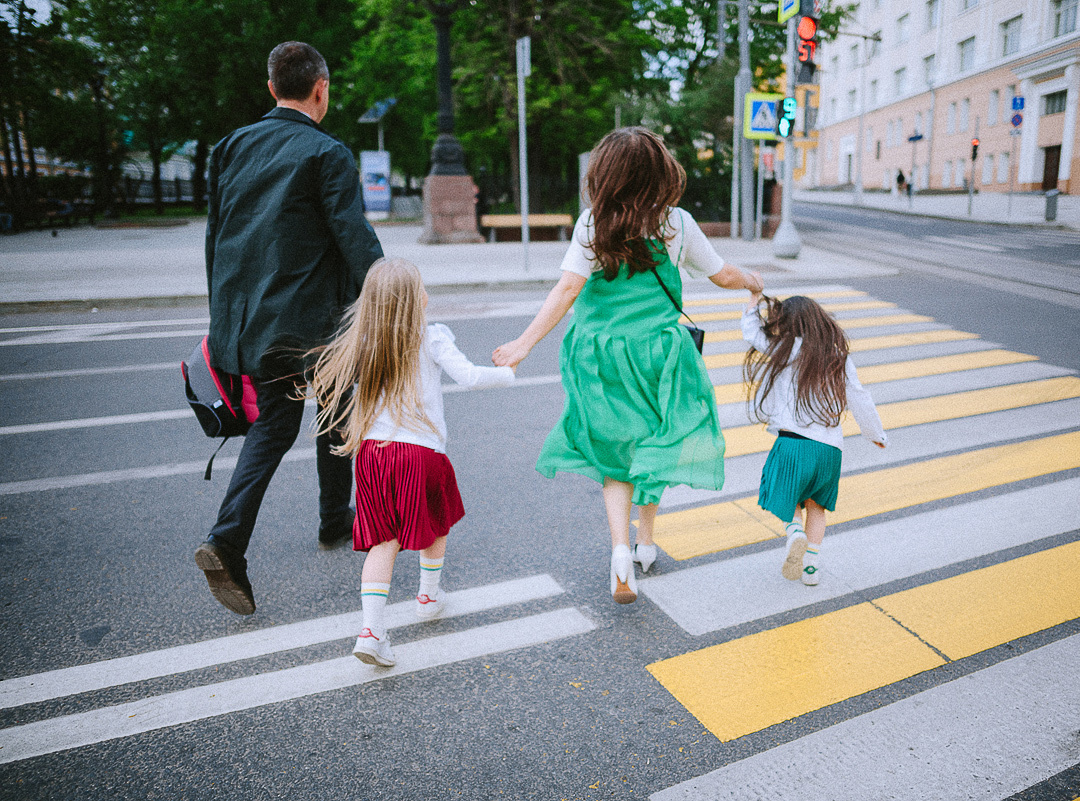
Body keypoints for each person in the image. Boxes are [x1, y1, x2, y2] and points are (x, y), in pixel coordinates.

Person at [492, 127, 763, 605]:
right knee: (657, 442)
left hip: (599, 357)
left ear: (605, 176)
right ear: (661, 175)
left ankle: (620, 553)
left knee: (615, 454)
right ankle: (646, 542)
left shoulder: (592, 226)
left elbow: (567, 290)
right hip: (659, 355)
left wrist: (523, 344)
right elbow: (721, 274)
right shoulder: (675, 224)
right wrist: (752, 281)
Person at [194, 42, 385, 615]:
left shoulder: (231, 147)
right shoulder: (327, 153)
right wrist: (388, 296)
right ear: (320, 88)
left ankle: (230, 540)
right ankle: (331, 521)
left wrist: (223, 318)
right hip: (312, 323)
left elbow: (216, 238)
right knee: (336, 408)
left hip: (247, 320)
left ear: (273, 87)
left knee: (274, 426)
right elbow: (353, 238)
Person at [310, 258, 515, 666]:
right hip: (420, 454)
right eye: (422, 287)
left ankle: (371, 631)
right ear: (411, 301)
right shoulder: (431, 337)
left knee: (383, 542)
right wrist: (508, 372)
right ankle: (428, 594)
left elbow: (328, 384)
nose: (427, 293)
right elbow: (470, 377)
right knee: (437, 520)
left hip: (371, 455)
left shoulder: (362, 342)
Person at [741, 293, 888, 585]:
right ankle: (811, 566)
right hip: (829, 450)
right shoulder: (839, 356)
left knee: (784, 493)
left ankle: (794, 532)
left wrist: (753, 303)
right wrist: (875, 434)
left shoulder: (785, 350)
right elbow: (859, 396)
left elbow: (751, 334)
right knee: (817, 507)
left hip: (793, 443)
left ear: (787, 324)